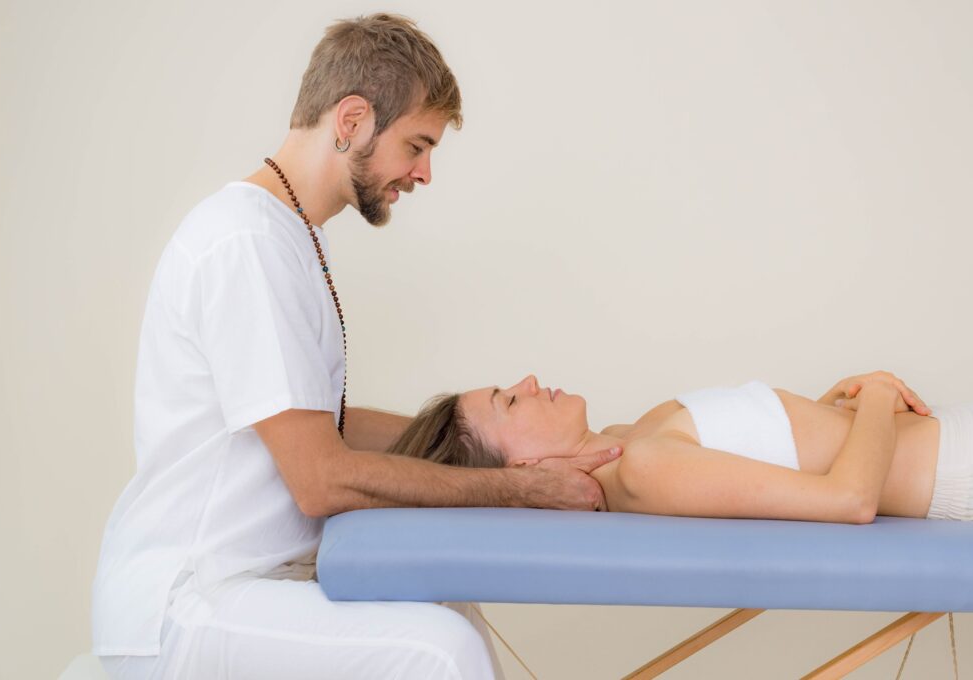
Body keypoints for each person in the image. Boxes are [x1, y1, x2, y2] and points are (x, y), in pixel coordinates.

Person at [91, 14, 621, 680]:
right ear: (351, 120)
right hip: (187, 601)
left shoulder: (287, 237)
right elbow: (320, 478)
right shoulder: (245, 243)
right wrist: (518, 487)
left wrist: (497, 440)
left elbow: (324, 426)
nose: (423, 173)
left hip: (250, 581)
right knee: (437, 649)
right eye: (416, 145)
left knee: (450, 606)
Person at [388, 370, 973, 529]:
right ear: (522, 467)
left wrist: (840, 403)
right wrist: (875, 397)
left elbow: (780, 446)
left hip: (966, 442)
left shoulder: (632, 437)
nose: (528, 382)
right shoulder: (644, 469)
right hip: (970, 468)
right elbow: (849, 500)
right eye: (510, 402)